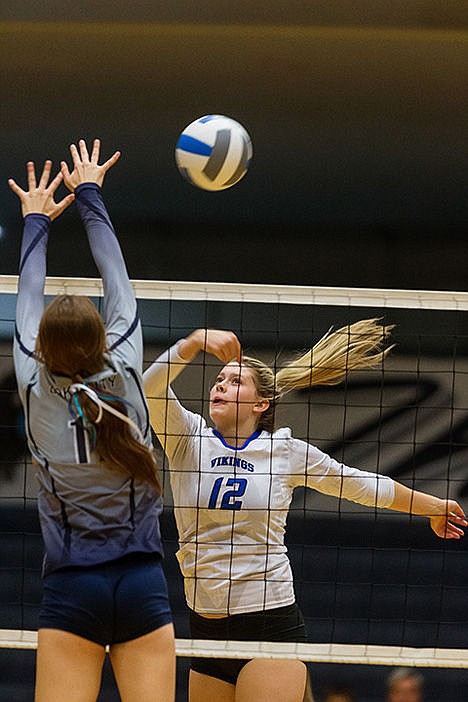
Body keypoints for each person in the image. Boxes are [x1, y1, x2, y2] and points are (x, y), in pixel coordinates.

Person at [143, 326, 467, 702]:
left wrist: (433, 506)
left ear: (260, 404)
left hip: (268, 625)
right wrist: (191, 343)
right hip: (206, 626)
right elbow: (149, 388)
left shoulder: (285, 452)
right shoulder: (187, 438)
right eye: (219, 380)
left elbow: (359, 484)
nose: (220, 386)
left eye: (235, 382)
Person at [9, 140, 175, 702]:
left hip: (71, 585)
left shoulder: (31, 375)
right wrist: (89, 193)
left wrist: (35, 218)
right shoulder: (125, 358)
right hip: (142, 584)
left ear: (42, 344)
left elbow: (26, 291)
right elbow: (115, 274)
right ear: (104, 338)